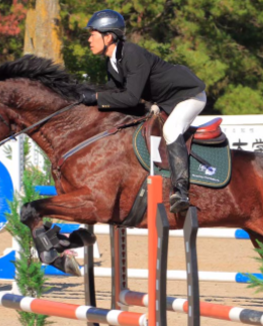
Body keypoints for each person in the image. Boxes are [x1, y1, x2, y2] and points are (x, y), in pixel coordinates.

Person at [79, 9, 206, 213]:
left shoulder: (132, 53)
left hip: (188, 95)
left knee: (172, 130)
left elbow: (130, 97)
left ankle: (181, 191)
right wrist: (84, 93)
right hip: (165, 102)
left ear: (108, 36)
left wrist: (95, 98)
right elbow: (112, 90)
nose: (88, 40)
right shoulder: (112, 63)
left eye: (92, 34)